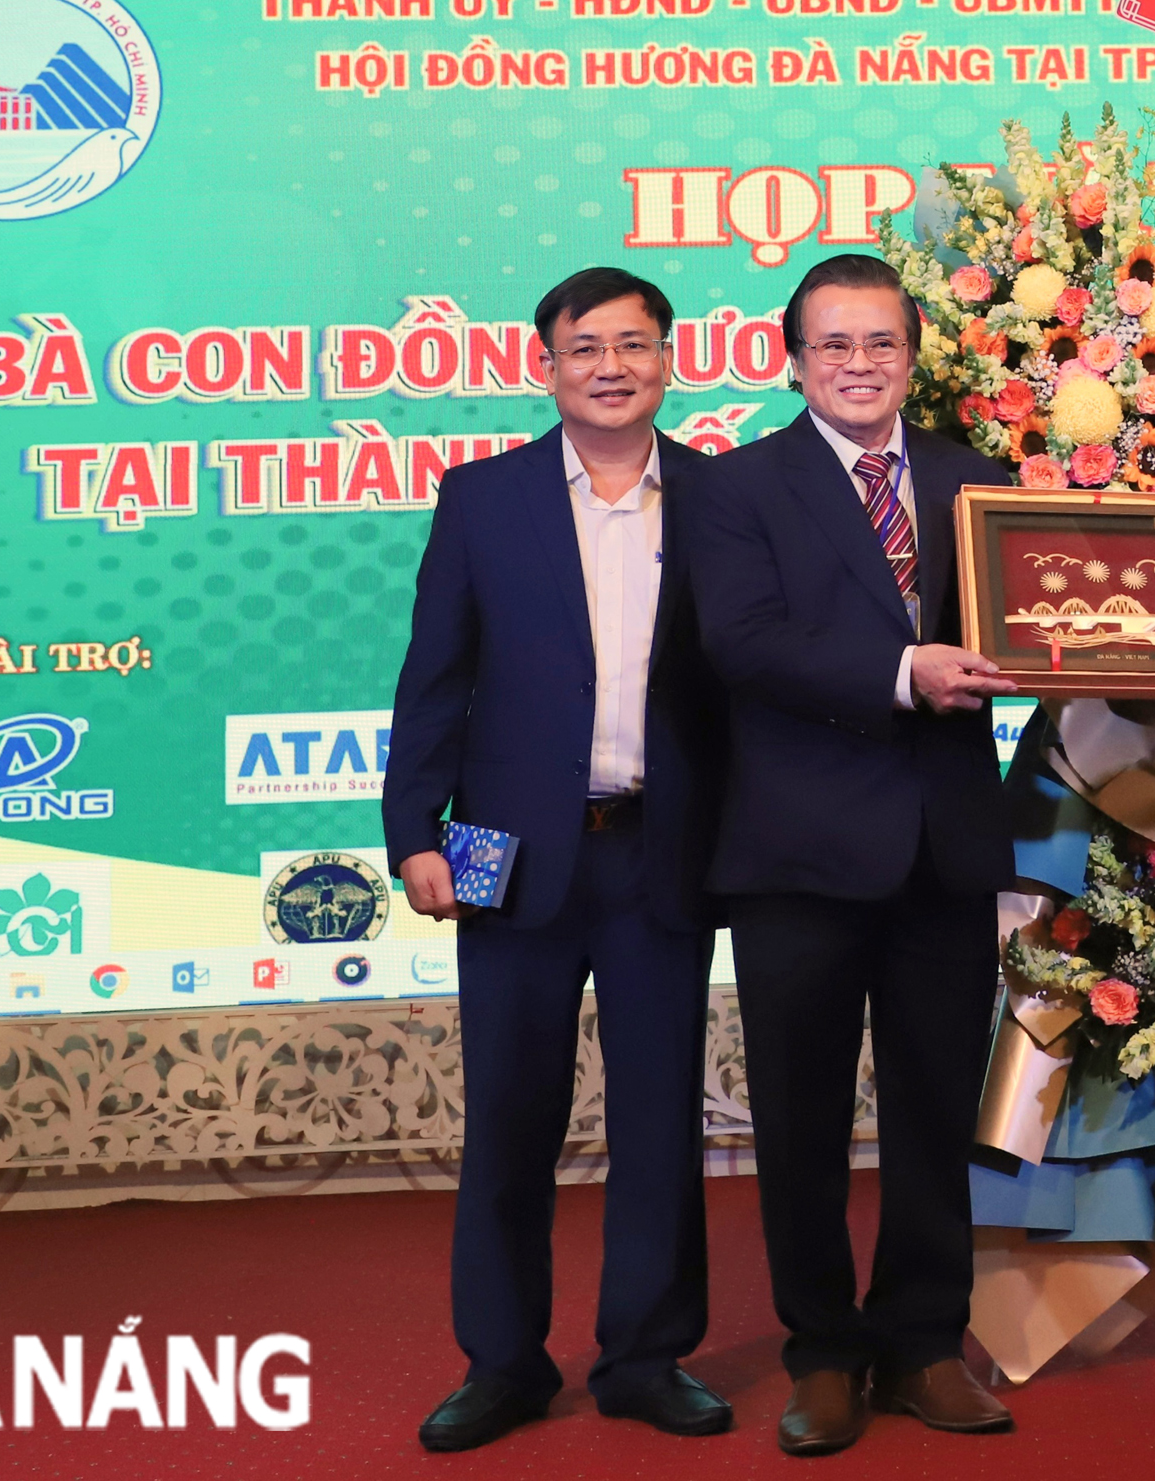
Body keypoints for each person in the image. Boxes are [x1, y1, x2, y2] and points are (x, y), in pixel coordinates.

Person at [384, 267, 731, 1452]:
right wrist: (412, 836)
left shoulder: (718, 497)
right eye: (585, 348)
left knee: (657, 1123)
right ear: (548, 365)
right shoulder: (482, 497)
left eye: (633, 345)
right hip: (502, 849)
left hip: (661, 847)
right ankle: (503, 1362)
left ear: (669, 359)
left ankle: (644, 1356)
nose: (610, 367)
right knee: (510, 1117)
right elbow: (435, 678)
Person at [688, 253, 1019, 1456]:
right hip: (797, 855)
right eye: (834, 346)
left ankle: (926, 1341)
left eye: (880, 343)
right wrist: (901, 674)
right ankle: (823, 1351)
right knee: (801, 1117)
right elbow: (743, 642)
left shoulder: (976, 480)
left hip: (942, 847)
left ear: (914, 352)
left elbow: (1029, 630)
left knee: (938, 1111)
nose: (859, 364)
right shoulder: (735, 489)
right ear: (792, 360)